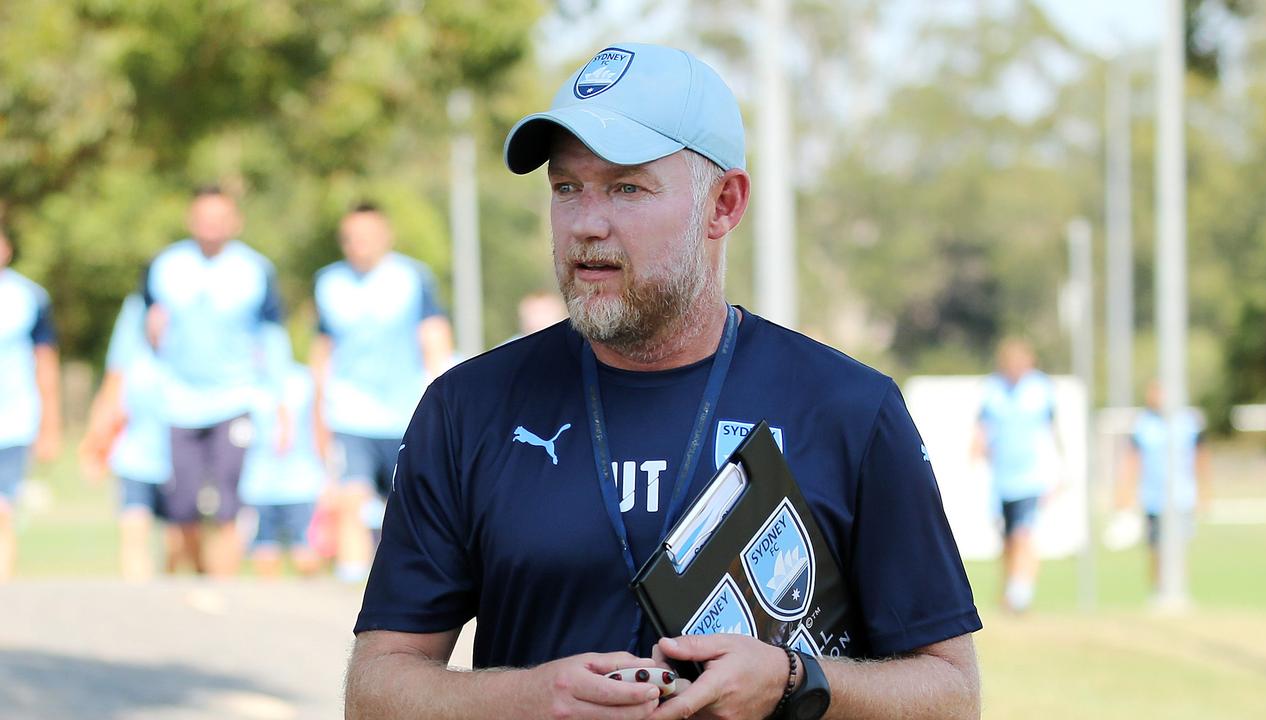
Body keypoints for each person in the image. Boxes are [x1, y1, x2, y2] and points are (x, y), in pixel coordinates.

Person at [347, 44, 980, 720]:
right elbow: (376, 689)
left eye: (626, 187)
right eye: (567, 188)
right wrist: (530, 699)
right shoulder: (467, 409)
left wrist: (795, 679)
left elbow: (952, 694)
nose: (586, 224)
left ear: (723, 205)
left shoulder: (850, 409)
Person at [143, 186, 290, 577]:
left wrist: (281, 401)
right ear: (191, 220)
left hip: (234, 398)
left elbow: (273, 337)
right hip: (180, 400)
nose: (211, 226)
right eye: (204, 217)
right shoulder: (165, 266)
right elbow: (145, 328)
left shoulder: (255, 269)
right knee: (182, 504)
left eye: (219, 217)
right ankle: (201, 576)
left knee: (228, 499)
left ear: (235, 222)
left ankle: (223, 584)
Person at [311, 202, 454, 582]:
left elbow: (433, 334)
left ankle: (409, 581)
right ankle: (352, 579)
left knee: (407, 503)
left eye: (368, 237)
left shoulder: (412, 277)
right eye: (351, 238)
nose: (359, 245)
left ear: (386, 237)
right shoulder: (328, 282)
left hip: (404, 411)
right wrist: (318, 405)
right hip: (351, 412)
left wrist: (442, 397)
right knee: (350, 499)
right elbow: (323, 347)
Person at [80, 293, 175, 580]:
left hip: (178, 464)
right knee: (134, 534)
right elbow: (110, 406)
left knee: (178, 545)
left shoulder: (188, 367)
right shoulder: (133, 363)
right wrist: (95, 451)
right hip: (135, 462)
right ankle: (140, 602)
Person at [971, 337, 1060, 613]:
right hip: (1002, 480)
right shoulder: (992, 390)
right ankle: (1009, 589)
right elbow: (981, 429)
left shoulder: (1040, 389)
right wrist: (975, 453)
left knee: (1024, 534)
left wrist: (1060, 471)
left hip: (1030, 477)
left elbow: (1053, 430)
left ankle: (1022, 593)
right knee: (1008, 540)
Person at [0, 226, 62, 581]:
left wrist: (49, 425)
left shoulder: (29, 297)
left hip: (13, 419)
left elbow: (46, 362)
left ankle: (5, 584)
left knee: (4, 507)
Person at [1116, 380, 1210, 587]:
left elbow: (1200, 457)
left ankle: (1178, 587)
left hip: (1182, 495)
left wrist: (1204, 492)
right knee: (1155, 546)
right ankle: (1158, 589)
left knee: (1178, 545)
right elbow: (1133, 459)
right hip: (1153, 497)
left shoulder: (1188, 421)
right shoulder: (1142, 424)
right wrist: (1125, 490)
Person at [239, 357, 326, 578]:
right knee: (264, 551)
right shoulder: (247, 380)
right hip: (259, 482)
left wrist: (327, 472)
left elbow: (319, 425)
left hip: (301, 481)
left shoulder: (305, 379)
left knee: (305, 552)